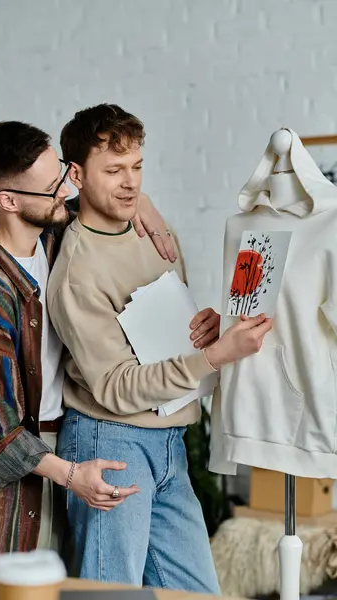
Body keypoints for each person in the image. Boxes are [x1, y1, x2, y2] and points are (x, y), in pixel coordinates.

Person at [0, 120, 187, 567]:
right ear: (8, 201)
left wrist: (140, 202)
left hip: (71, 441)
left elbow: (97, 199)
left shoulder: (52, 235)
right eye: (54, 186)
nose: (65, 191)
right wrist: (70, 475)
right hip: (26, 478)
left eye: (63, 176)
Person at [47, 104, 273, 593]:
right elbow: (115, 386)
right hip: (111, 441)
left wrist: (206, 328)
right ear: (77, 175)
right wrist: (215, 357)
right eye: (113, 170)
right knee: (111, 593)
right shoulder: (76, 273)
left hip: (170, 440)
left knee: (197, 593)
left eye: (137, 167)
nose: (130, 183)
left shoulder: (152, 228)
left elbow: (172, 325)